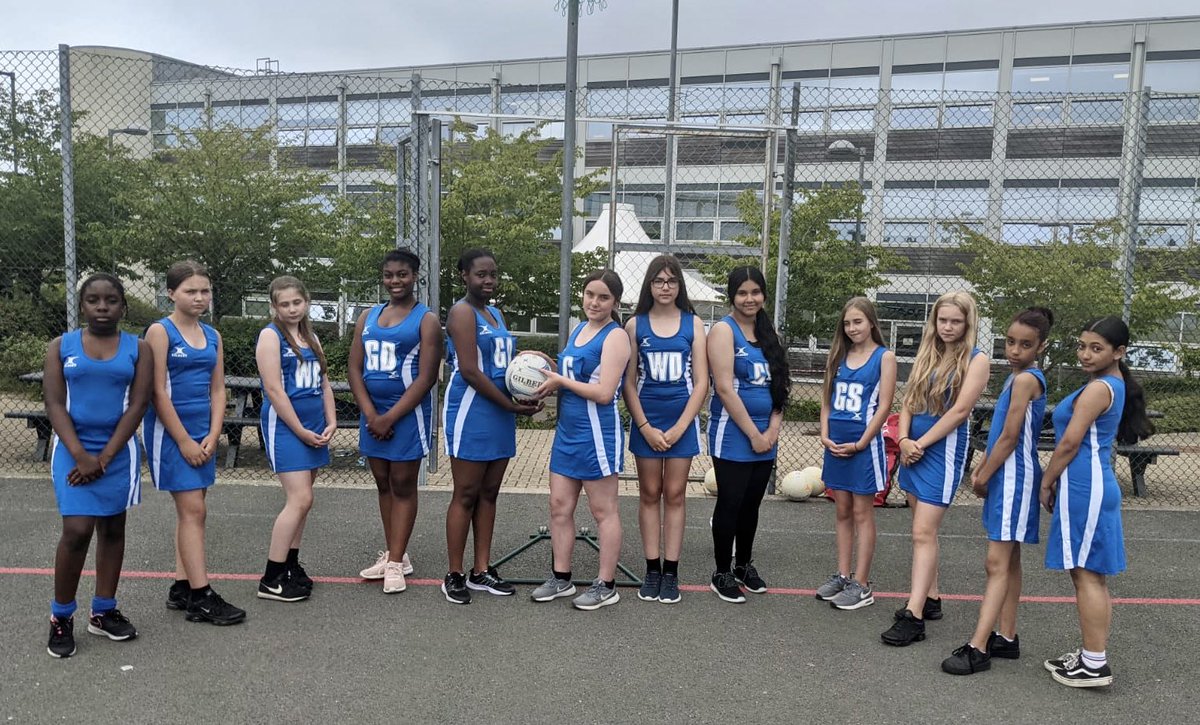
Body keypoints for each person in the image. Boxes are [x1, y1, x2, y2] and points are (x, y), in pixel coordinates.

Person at [43, 274, 153, 658]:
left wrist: (104, 458)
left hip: (117, 452)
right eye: (93, 300)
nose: (102, 307)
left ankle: (103, 611)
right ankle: (61, 617)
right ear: (82, 306)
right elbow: (55, 404)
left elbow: (139, 404)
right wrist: (82, 456)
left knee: (112, 526)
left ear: (123, 305)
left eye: (110, 300)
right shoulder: (61, 346)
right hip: (72, 451)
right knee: (76, 530)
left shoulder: (139, 348)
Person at [1040, 316, 1152, 688]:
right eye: (1082, 345)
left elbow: (1069, 443)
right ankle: (1092, 656)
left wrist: (1047, 480)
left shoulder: (1100, 388)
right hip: (1089, 485)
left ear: (1119, 352)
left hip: (1085, 487)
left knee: (1086, 574)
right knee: (1089, 574)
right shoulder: (1107, 384)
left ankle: (1094, 665)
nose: (1085, 354)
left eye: (1096, 348)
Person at [941, 307, 1052, 675]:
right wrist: (985, 462)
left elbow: (1009, 437)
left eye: (1025, 344)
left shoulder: (1025, 381)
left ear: (1042, 347)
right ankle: (1006, 635)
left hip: (1014, 478)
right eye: (1010, 341)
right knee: (1011, 557)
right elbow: (1003, 432)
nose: (1015, 349)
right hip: (1010, 475)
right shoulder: (1015, 378)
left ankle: (978, 647)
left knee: (996, 561)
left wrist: (983, 475)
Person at [882, 291, 989, 646]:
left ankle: (913, 617)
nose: (947, 327)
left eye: (955, 321)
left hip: (941, 454)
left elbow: (959, 413)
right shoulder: (928, 353)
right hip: (914, 449)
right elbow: (910, 399)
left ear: (967, 323)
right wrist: (906, 438)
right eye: (942, 320)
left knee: (922, 533)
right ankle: (931, 598)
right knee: (921, 529)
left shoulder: (977, 360)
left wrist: (921, 444)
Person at [144, 261, 245, 625]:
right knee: (194, 512)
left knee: (193, 509)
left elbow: (218, 389)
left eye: (205, 291)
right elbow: (156, 391)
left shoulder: (213, 336)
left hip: (202, 433)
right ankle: (202, 597)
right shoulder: (160, 331)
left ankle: (182, 586)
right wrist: (185, 440)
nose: (199, 297)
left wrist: (213, 433)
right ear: (171, 293)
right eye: (190, 291)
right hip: (171, 434)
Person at [440, 248, 539, 604]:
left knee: (489, 493)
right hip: (472, 411)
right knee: (465, 493)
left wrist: (524, 390)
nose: (488, 281)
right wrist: (511, 406)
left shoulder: (494, 313)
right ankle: (454, 573)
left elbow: (505, 366)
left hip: (499, 411)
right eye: (481, 274)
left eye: (493, 274)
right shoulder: (461, 312)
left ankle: (481, 570)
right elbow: (469, 370)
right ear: (464, 276)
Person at [529, 269, 630, 611]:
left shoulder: (615, 336)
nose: (594, 302)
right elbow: (569, 375)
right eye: (590, 294)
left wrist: (560, 381)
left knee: (603, 510)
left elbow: (604, 393)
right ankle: (561, 577)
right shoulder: (579, 329)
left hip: (597, 434)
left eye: (603, 297)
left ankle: (606, 584)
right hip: (568, 432)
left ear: (614, 302)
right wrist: (541, 377)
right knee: (559, 507)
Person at [348, 248, 441, 595]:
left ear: (415, 276)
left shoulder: (425, 319)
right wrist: (371, 414)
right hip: (373, 414)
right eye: (389, 275)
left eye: (402, 274)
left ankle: (395, 562)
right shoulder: (368, 316)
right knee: (382, 482)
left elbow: (427, 376)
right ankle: (395, 556)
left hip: (405, 413)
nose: (395, 281)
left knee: (403, 483)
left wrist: (390, 416)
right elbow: (355, 368)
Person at [623, 255, 708, 605]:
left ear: (679, 286)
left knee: (675, 494)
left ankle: (671, 571)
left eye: (671, 281)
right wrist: (644, 425)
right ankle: (652, 568)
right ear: (649, 285)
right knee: (649, 493)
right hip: (647, 422)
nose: (665, 287)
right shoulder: (634, 325)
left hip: (681, 424)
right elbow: (628, 383)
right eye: (658, 281)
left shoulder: (694, 324)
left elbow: (702, 382)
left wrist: (681, 426)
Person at [707, 266, 790, 604]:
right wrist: (755, 435)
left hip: (765, 436)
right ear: (732, 296)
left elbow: (780, 386)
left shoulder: (769, 333)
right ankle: (721, 571)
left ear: (764, 295)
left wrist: (772, 430)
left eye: (755, 292)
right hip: (734, 433)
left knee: (752, 505)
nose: (749, 298)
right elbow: (725, 389)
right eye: (742, 292)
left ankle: (743, 565)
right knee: (731, 501)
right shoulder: (723, 332)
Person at [255, 275, 336, 603]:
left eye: (297, 302)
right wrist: (300, 430)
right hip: (287, 427)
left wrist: (331, 421)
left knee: (305, 499)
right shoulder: (270, 337)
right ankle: (271, 578)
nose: (291, 308)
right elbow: (274, 389)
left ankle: (290, 564)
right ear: (274, 306)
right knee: (299, 499)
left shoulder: (310, 336)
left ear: (307, 302)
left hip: (314, 425)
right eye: (284, 304)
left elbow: (324, 383)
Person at [815, 297, 896, 611]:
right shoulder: (838, 355)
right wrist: (824, 434)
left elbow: (885, 405)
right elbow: (826, 401)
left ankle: (862, 584)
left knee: (863, 513)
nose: (852, 328)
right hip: (836, 445)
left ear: (871, 322)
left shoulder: (883, 357)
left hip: (863, 446)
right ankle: (843, 575)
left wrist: (862, 442)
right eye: (847, 323)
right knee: (842, 510)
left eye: (858, 322)